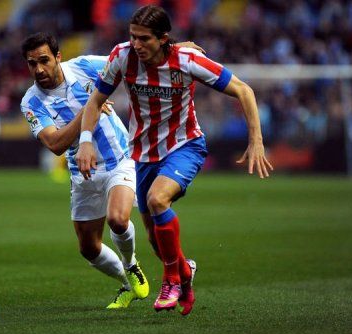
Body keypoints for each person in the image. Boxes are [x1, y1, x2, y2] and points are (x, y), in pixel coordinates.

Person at [76, 5, 274, 315]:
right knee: (157, 241)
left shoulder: (187, 60)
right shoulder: (122, 56)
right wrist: (85, 142)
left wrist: (257, 140)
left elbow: (243, 90)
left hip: (185, 145)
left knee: (157, 200)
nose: (136, 45)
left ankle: (170, 280)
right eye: (132, 37)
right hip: (142, 154)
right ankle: (184, 273)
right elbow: (94, 102)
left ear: (163, 39)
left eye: (143, 39)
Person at [20, 32, 149, 309]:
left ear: (58, 57)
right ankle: (127, 285)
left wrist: (170, 48)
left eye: (44, 60)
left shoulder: (85, 66)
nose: (39, 69)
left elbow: (129, 59)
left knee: (118, 218)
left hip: (120, 159)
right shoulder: (31, 102)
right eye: (32, 64)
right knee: (89, 248)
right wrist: (92, 107)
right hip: (83, 173)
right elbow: (55, 143)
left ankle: (132, 265)